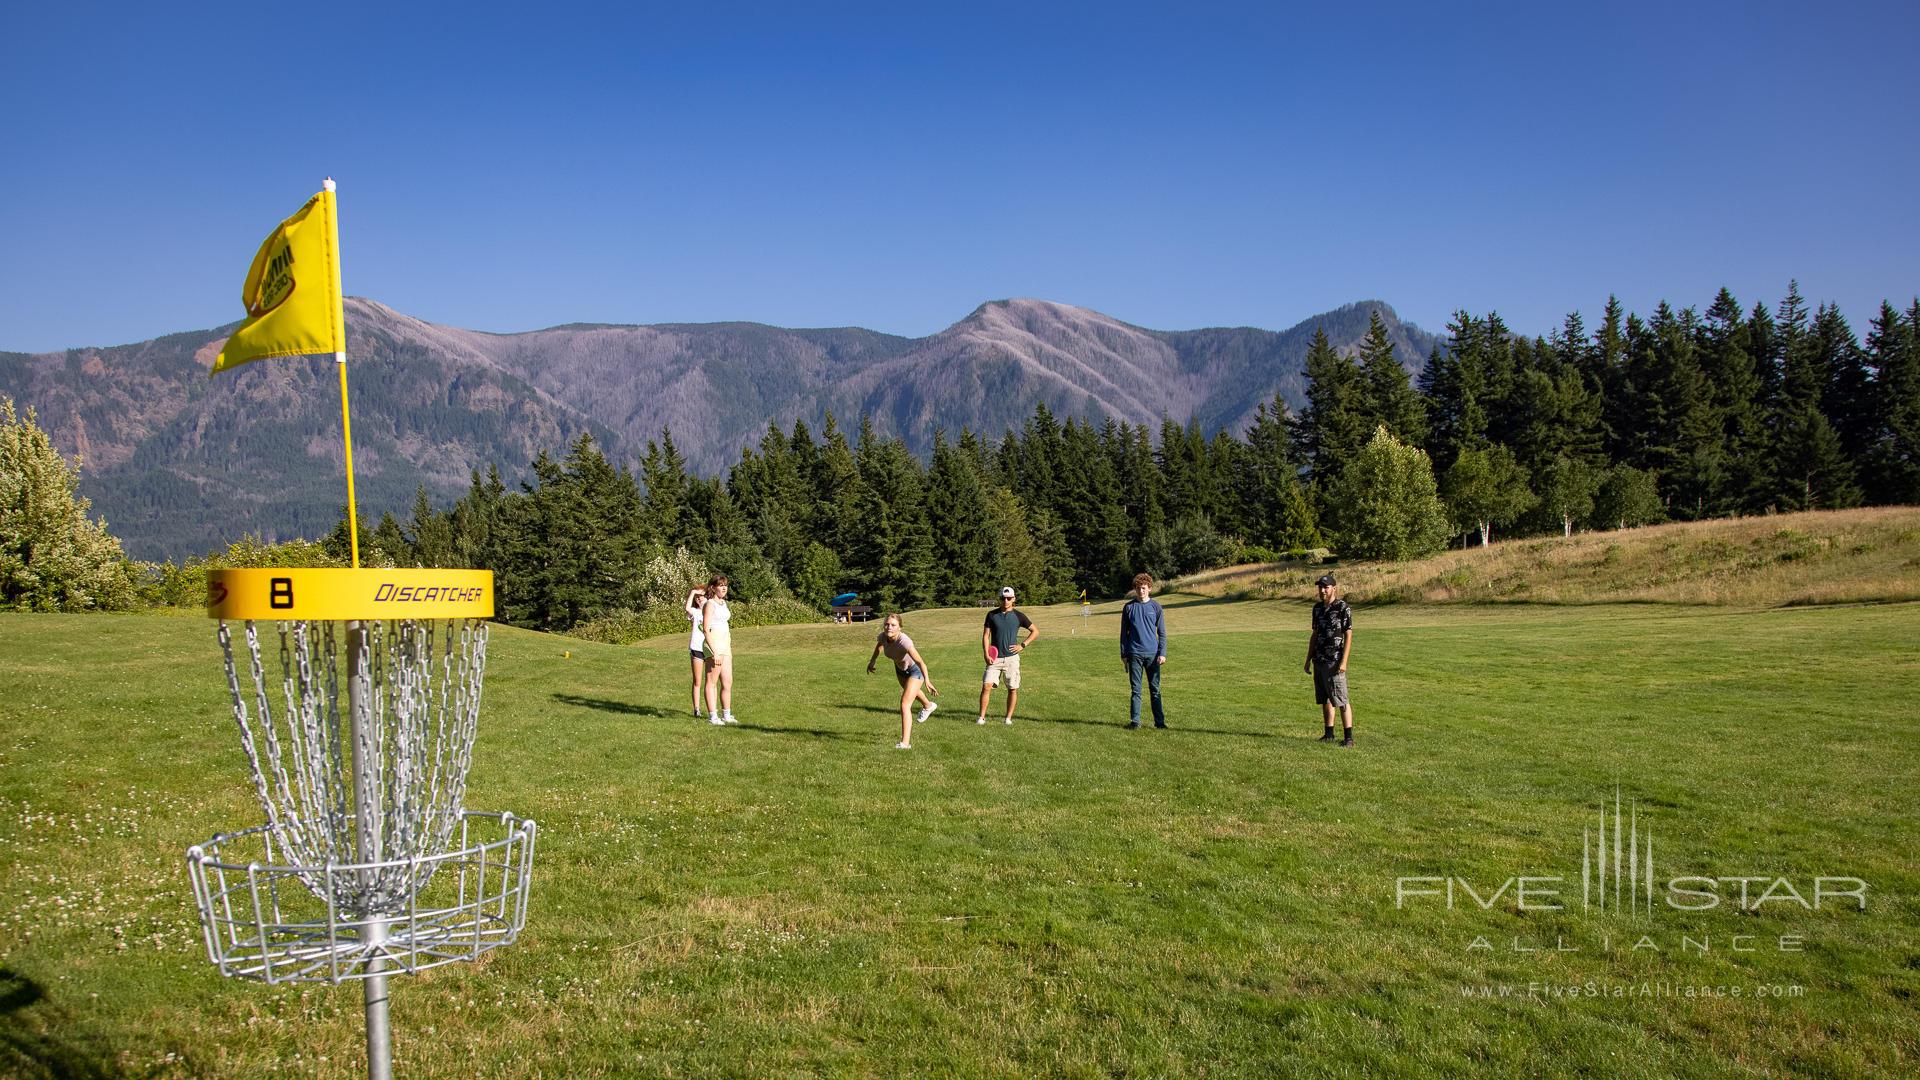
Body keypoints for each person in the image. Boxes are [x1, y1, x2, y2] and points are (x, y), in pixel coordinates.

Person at [867, 613, 938, 749]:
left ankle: (905, 743)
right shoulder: (883, 636)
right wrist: (872, 661)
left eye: (893, 625)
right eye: (887, 624)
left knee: (905, 704)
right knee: (911, 692)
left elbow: (921, 662)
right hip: (900, 669)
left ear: (900, 627)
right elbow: (878, 647)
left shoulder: (904, 641)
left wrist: (927, 681)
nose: (889, 627)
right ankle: (928, 706)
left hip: (915, 670)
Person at [1304, 572, 1353, 745]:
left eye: (1326, 587)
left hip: (1335, 660)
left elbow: (1348, 635)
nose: (1322, 590)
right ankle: (1329, 734)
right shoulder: (1317, 609)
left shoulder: (1342, 608)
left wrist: (1344, 661)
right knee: (1325, 699)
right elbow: (1315, 634)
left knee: (1341, 699)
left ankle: (1348, 738)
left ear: (1334, 588)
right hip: (1319, 659)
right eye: (1320, 587)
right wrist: (1308, 658)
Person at [978, 586, 1038, 725]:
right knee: (986, 686)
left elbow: (1035, 631)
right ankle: (981, 718)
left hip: (1012, 659)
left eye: (1009, 598)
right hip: (994, 659)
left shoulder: (1019, 616)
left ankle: (1008, 718)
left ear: (1014, 599)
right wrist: (986, 654)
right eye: (1003, 598)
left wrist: (1022, 645)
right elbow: (986, 636)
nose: (1006, 600)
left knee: (1012, 688)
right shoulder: (991, 615)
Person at [1119, 572, 1168, 729]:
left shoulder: (1156, 607)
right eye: (1139, 588)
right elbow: (1123, 634)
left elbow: (1162, 633)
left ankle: (1159, 723)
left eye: (1144, 588)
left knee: (1155, 690)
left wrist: (1162, 653)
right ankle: (1135, 722)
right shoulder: (1129, 608)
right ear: (1135, 589)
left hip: (1153, 656)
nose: (1141, 591)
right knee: (1136, 690)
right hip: (1134, 654)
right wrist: (1124, 654)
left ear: (1150, 589)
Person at [702, 576, 736, 725]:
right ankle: (713, 717)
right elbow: (705, 629)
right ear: (713, 587)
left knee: (727, 682)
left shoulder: (723, 603)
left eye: (725, 586)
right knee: (712, 681)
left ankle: (726, 715)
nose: (723, 588)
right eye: (720, 585)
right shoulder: (710, 604)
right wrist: (714, 651)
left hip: (725, 645)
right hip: (714, 645)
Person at [685, 586, 711, 719]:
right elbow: (687, 609)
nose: (700, 599)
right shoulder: (695, 612)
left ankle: (711, 709)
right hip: (697, 648)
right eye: (698, 598)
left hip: (710, 648)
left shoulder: (711, 611)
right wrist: (693, 592)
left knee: (710, 681)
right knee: (697, 681)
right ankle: (696, 709)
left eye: (702, 596)